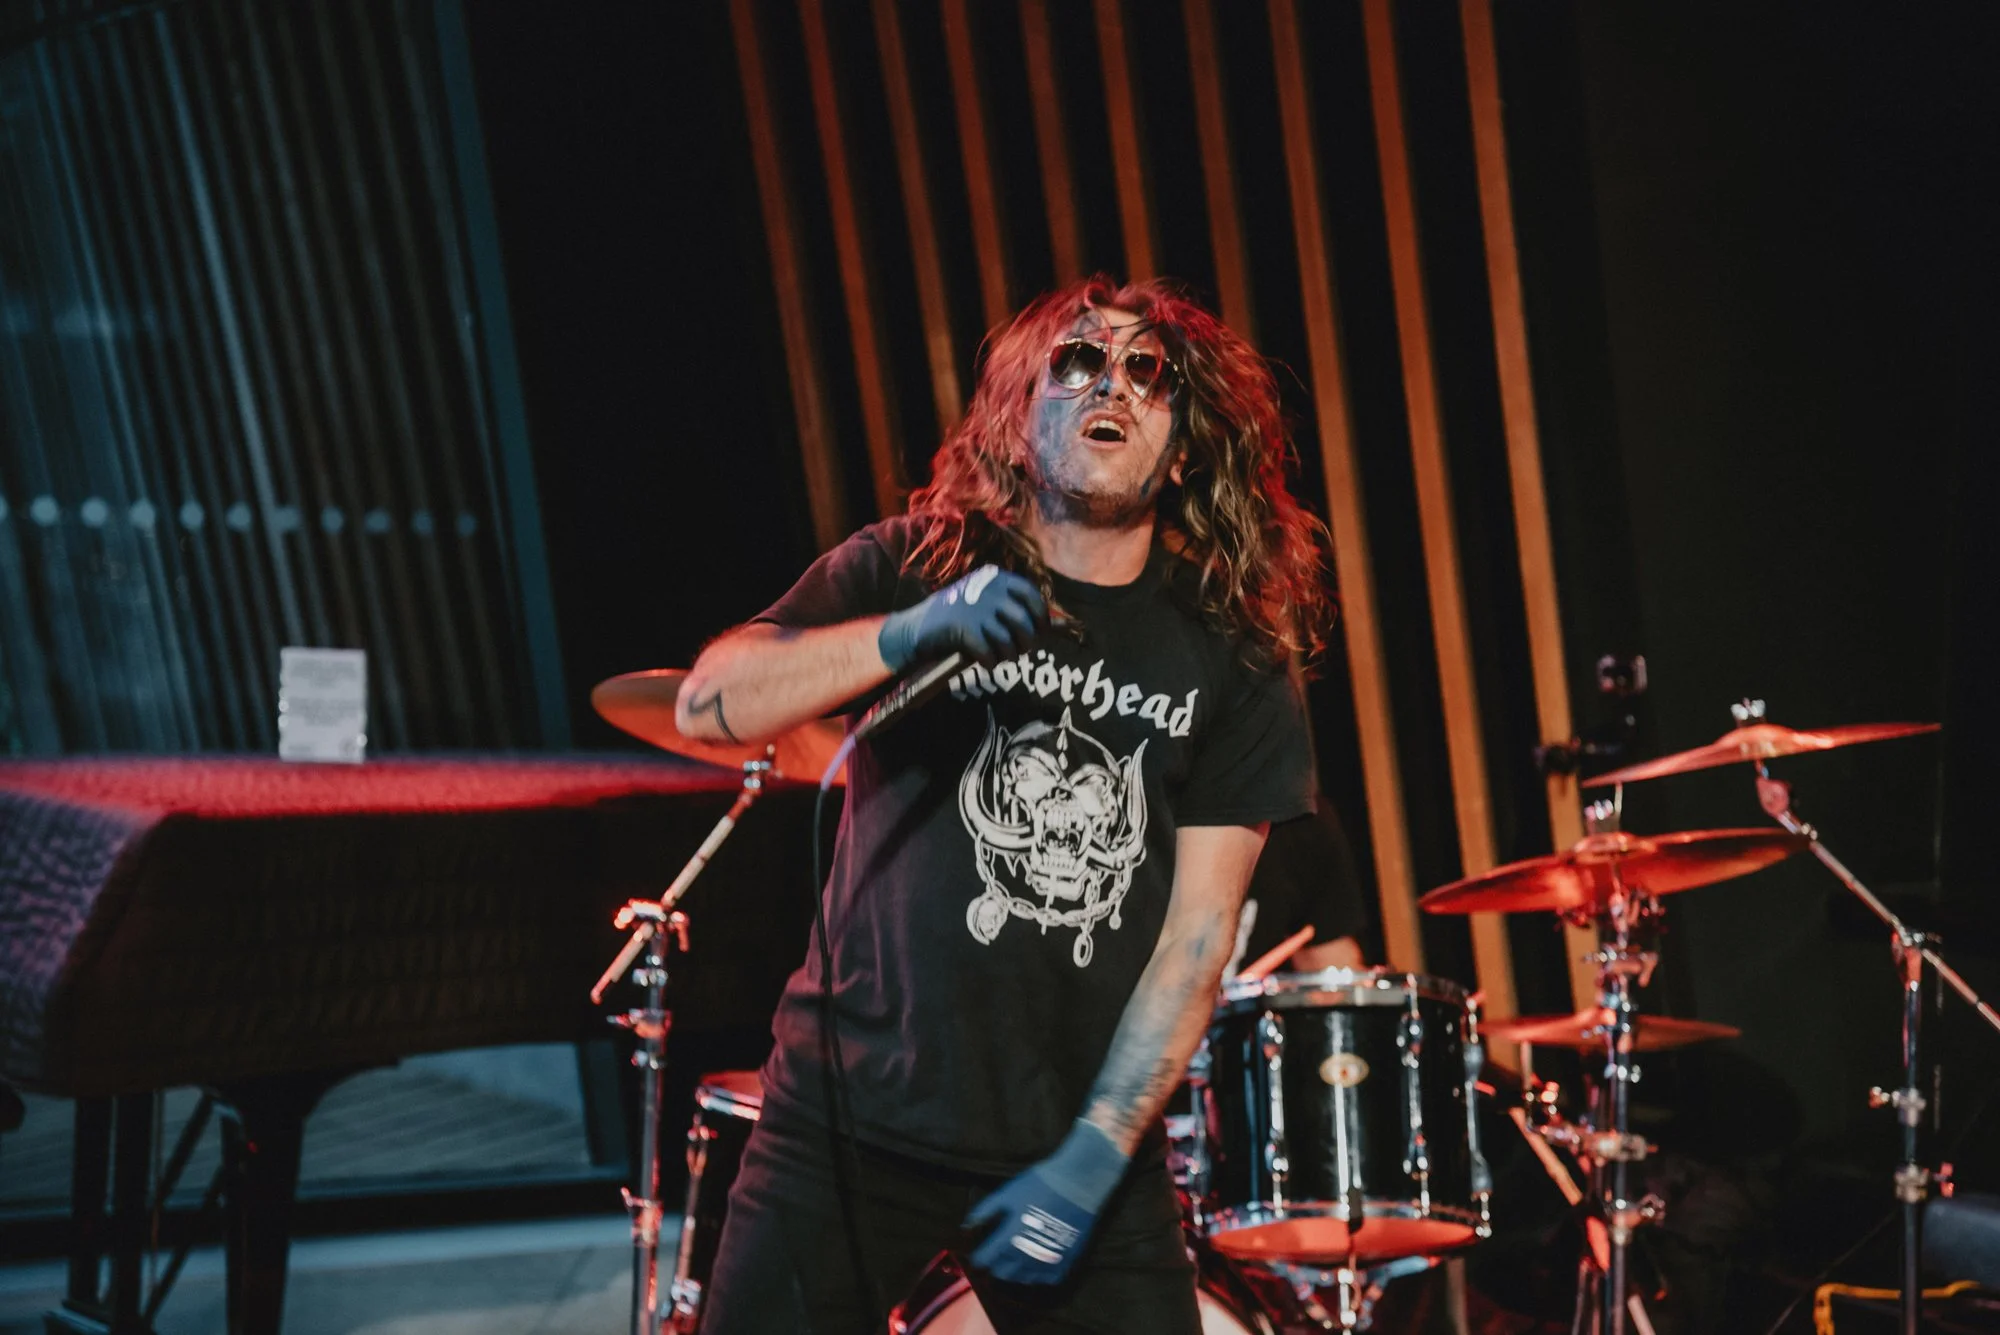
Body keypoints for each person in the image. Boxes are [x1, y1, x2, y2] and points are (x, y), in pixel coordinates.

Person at [676, 275, 1330, 1333]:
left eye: (1146, 371)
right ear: (1020, 409)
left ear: (1183, 438)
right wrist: (908, 633)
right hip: (847, 1119)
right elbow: (709, 704)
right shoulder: (912, 564)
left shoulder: (1230, 652)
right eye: (1075, 360)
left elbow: (1196, 941)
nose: (1108, 382)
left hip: (1076, 1145)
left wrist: (1095, 1150)